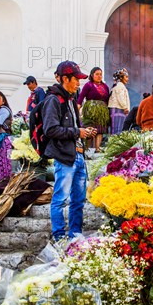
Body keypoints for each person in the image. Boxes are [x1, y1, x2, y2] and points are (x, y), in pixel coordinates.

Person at [43, 61, 96, 241]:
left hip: (78, 156)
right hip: (65, 158)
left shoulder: (71, 100)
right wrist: (77, 132)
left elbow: (72, 128)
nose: (78, 83)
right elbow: (50, 130)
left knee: (78, 200)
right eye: (76, 79)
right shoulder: (53, 100)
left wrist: (84, 132)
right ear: (65, 79)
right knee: (60, 199)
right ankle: (59, 237)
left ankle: (75, 234)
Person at [77, 67, 110, 152]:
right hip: (90, 110)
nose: (99, 76)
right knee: (90, 128)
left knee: (100, 129)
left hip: (102, 111)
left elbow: (107, 99)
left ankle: (97, 148)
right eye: (97, 74)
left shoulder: (105, 86)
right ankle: (86, 148)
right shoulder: (88, 85)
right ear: (92, 75)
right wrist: (78, 107)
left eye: (100, 74)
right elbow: (81, 96)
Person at [108, 68, 131, 135]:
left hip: (118, 108)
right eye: (126, 77)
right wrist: (125, 107)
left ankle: (115, 143)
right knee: (117, 129)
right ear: (121, 78)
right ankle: (115, 143)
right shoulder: (120, 86)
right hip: (118, 109)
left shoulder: (118, 85)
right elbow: (120, 97)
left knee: (117, 129)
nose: (127, 79)